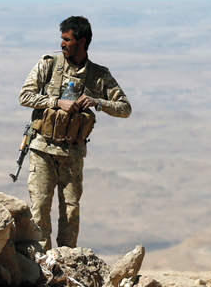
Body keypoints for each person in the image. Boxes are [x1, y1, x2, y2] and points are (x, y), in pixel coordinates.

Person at [19, 16, 131, 250]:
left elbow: (125, 109)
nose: (62, 44)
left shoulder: (99, 75)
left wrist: (98, 102)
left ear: (82, 42)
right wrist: (56, 102)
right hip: (42, 149)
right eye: (62, 39)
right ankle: (41, 262)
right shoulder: (49, 65)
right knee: (39, 208)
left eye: (67, 40)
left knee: (70, 211)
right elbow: (25, 96)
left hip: (73, 153)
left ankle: (66, 262)